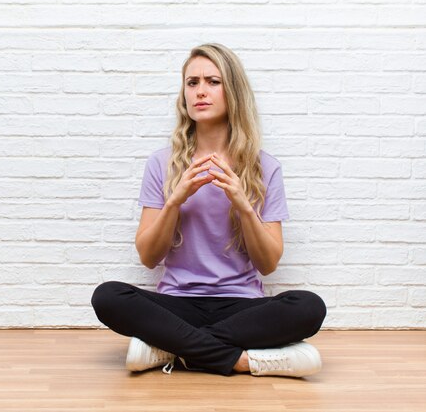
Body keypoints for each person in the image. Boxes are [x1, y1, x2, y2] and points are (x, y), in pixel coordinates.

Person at [91, 43, 327, 377]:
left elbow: (269, 264)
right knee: (108, 296)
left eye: (212, 82)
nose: (200, 91)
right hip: (177, 304)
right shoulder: (162, 164)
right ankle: (246, 360)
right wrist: (175, 200)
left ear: (233, 92)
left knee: (309, 307)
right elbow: (148, 257)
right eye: (192, 82)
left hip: (241, 307)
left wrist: (244, 206)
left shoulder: (265, 168)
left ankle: (167, 349)